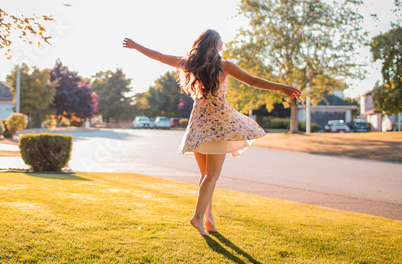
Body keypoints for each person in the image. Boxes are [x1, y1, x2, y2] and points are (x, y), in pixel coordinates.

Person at [122, 29, 301, 235]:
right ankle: (197, 217)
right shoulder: (224, 66)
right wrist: (282, 88)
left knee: (205, 176)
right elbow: (252, 81)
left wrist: (136, 46)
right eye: (221, 41)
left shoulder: (190, 64)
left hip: (198, 125)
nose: (223, 43)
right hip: (217, 125)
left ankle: (208, 220)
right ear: (215, 45)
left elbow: (161, 57)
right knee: (212, 174)